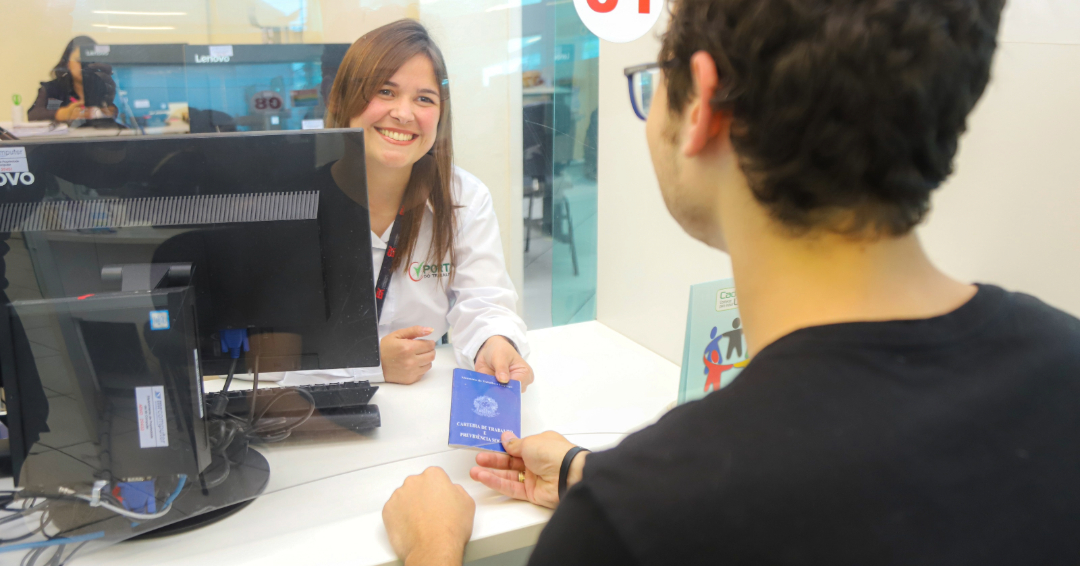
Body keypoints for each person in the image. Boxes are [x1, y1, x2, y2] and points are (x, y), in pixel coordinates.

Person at [382, 0, 1080, 563]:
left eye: (652, 79)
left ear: (703, 105)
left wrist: (433, 547)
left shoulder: (631, 526)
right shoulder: (1064, 363)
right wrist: (581, 472)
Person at [323, 20, 532, 388]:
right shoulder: (295, 200)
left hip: (423, 399)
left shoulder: (463, 197)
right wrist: (369, 365)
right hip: (315, 409)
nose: (404, 114)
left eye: (424, 99)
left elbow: (483, 302)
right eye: (385, 91)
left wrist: (495, 343)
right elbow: (259, 352)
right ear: (343, 99)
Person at [27, 36, 118, 124]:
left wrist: (109, 111)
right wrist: (63, 114)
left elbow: (118, 110)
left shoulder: (102, 85)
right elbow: (33, 115)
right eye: (79, 61)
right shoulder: (53, 89)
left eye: (89, 62)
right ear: (67, 63)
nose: (84, 67)